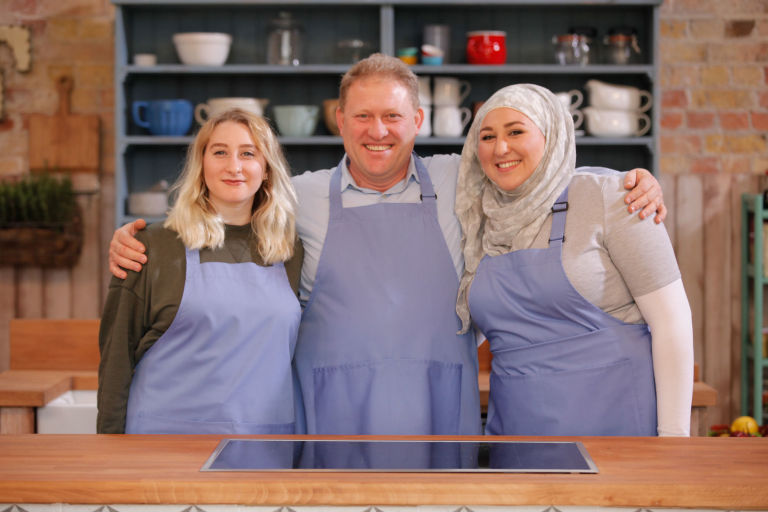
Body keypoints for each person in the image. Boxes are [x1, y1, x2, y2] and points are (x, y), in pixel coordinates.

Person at [107, 54, 666, 436]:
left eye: (393, 116)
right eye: (364, 116)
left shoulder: (459, 179)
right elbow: (223, 204)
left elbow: (534, 165)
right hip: (331, 417)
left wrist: (626, 182)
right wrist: (142, 240)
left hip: (439, 410)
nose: (379, 131)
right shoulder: (297, 197)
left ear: (418, 120)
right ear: (340, 121)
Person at [455, 83, 693, 436]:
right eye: (486, 136)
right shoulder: (477, 219)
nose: (500, 148)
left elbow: (672, 321)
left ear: (551, 135)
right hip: (519, 438)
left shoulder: (614, 197)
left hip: (620, 436)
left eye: (516, 131)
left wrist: (674, 440)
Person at [97, 108, 303, 434]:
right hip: (165, 445)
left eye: (248, 153)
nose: (233, 166)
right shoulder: (152, 246)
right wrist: (109, 448)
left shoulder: (290, 250)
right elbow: (116, 359)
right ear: (201, 165)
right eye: (219, 152)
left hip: (261, 444)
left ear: (266, 169)